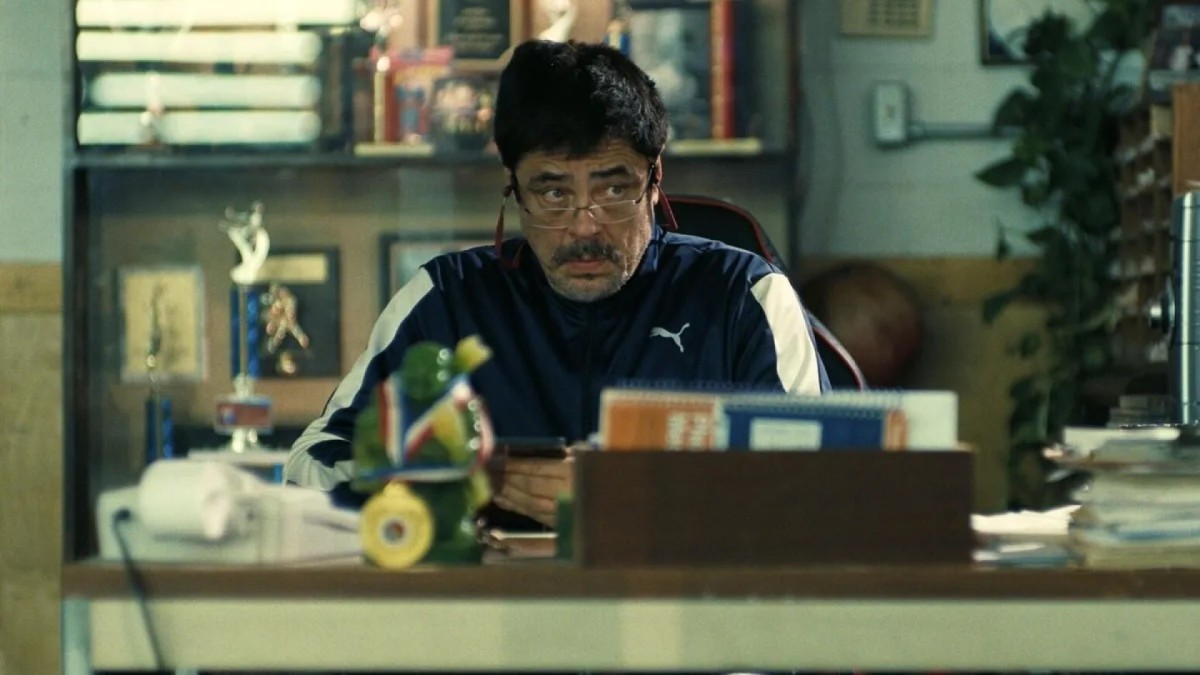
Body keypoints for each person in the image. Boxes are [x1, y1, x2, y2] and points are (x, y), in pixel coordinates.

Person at [285, 39, 825, 526]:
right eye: (553, 194)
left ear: (655, 180)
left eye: (614, 191)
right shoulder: (447, 299)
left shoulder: (743, 296)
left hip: (679, 593)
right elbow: (309, 468)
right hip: (494, 595)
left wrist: (626, 496)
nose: (584, 227)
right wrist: (460, 482)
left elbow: (820, 485)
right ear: (514, 190)